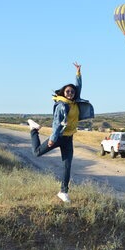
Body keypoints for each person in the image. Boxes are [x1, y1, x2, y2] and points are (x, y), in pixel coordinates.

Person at [28, 62, 94, 203]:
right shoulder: (61, 105)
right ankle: (33, 129)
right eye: (67, 91)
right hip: (58, 137)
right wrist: (52, 138)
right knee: (37, 153)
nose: (70, 93)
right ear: (63, 93)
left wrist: (78, 73)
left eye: (72, 91)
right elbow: (56, 123)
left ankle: (63, 191)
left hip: (68, 139)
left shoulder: (75, 101)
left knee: (67, 165)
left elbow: (79, 86)